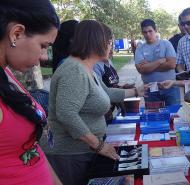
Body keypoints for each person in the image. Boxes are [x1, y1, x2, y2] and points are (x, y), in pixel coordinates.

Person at [41, 20, 144, 185]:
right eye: (110, 41)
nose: (111, 47)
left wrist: (139, 91)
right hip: (69, 154)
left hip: (82, 151)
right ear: (96, 41)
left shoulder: (87, 68)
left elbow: (107, 93)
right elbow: (66, 114)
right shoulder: (74, 70)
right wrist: (98, 145)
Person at [0, 0, 62, 184]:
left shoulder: (6, 74)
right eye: (43, 46)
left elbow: (29, 148)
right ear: (16, 34)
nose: (43, 57)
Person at [134, 19, 180, 106]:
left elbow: (171, 64)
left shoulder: (166, 44)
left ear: (155, 30)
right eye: (145, 32)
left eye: (150, 31)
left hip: (170, 88)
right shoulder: (140, 48)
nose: (147, 34)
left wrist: (149, 65)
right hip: (150, 89)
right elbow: (141, 69)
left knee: (174, 116)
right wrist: (159, 61)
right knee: (153, 117)